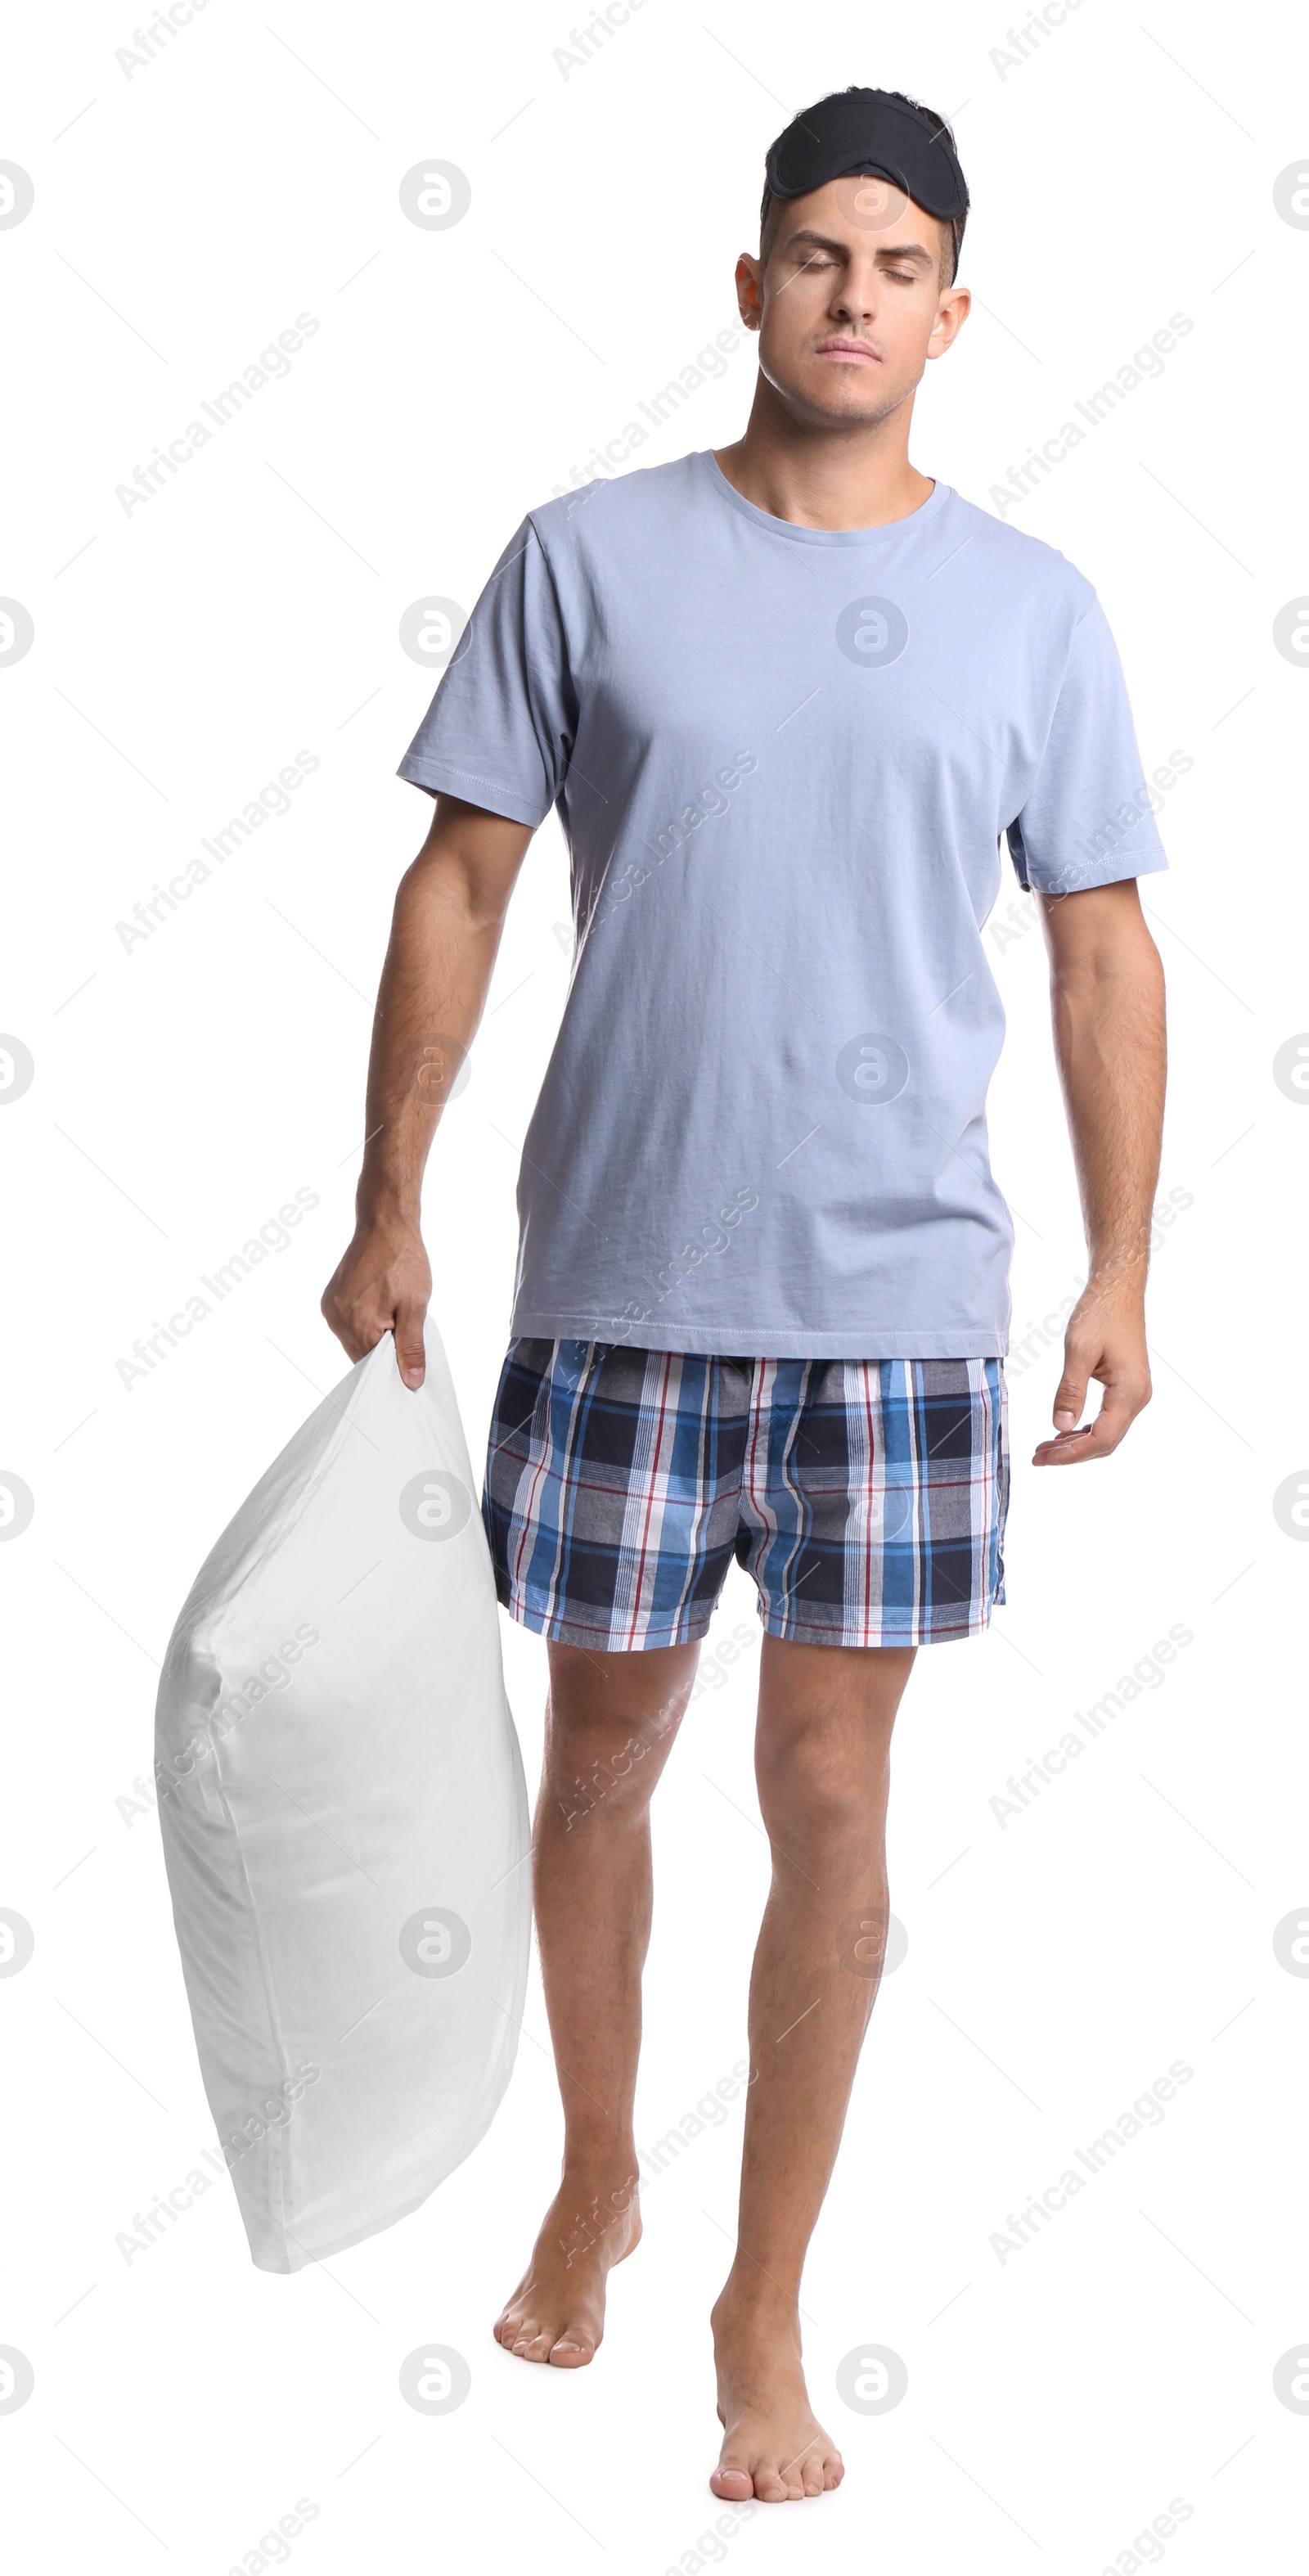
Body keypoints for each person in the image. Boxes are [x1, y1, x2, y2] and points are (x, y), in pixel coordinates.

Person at [322, 84, 1167, 2505]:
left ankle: (759, 2300)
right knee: (598, 1757)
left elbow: (1105, 946)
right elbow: (462, 884)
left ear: (956, 309)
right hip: (621, 1281)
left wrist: (1125, 1262)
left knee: (831, 1788)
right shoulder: (588, 558)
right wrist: (388, 1187)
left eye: (900, 266)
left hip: (901, 1311)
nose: (854, 298)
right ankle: (595, 2157)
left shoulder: (1031, 606)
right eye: (816, 255)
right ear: (749, 281)